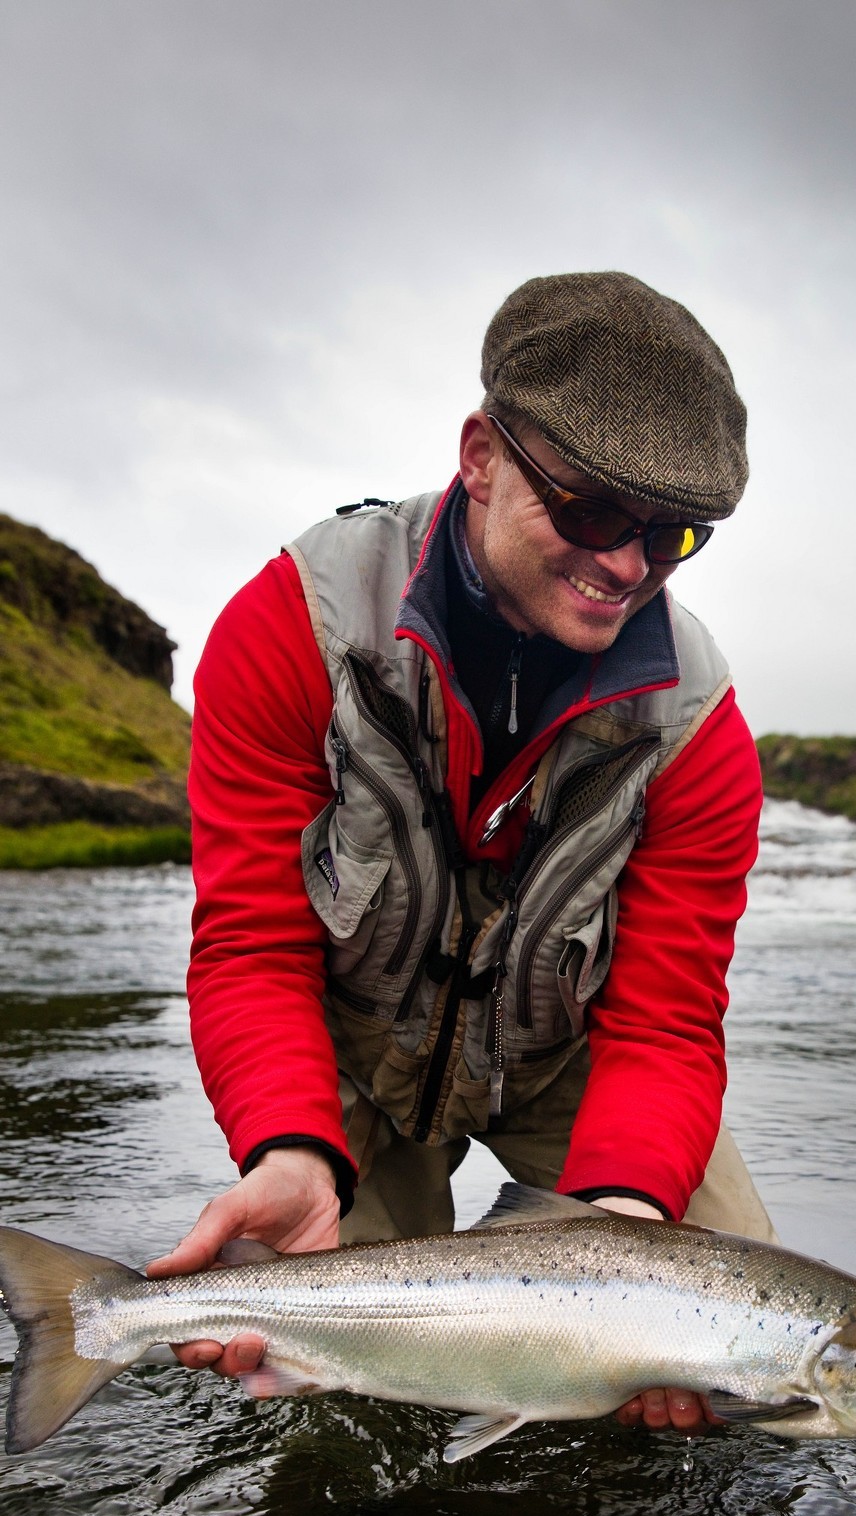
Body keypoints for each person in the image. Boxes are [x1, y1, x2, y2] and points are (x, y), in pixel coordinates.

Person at [149, 270, 775, 1434]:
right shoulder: (294, 628)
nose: (630, 566)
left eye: (674, 534)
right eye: (592, 511)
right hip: (351, 1056)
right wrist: (291, 1142)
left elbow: (666, 1022)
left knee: (742, 1341)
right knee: (346, 1405)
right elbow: (251, 945)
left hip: (565, 1059)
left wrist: (626, 1226)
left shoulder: (700, 735)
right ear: (481, 455)